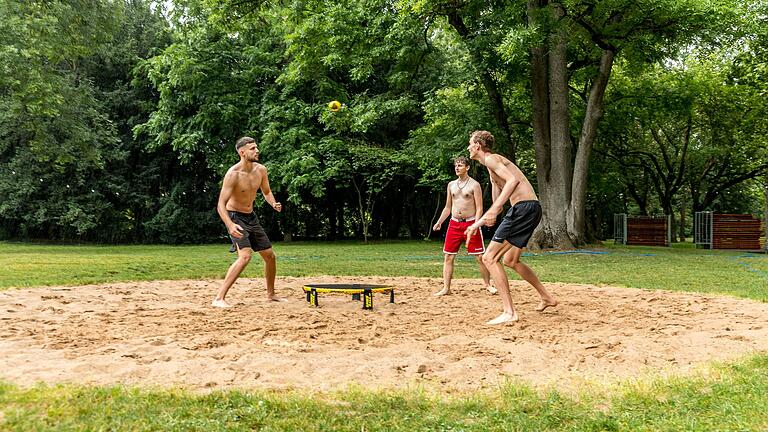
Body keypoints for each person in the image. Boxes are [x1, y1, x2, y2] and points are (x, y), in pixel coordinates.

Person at [464, 130, 557, 324]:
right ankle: (547, 297)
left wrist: (495, 208)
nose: (468, 147)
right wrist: (477, 224)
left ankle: (509, 312)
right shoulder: (491, 169)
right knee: (510, 260)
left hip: (523, 208)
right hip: (530, 208)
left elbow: (512, 182)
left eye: (470, 143)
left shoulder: (491, 159)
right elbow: (496, 208)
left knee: (489, 258)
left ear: (478, 146)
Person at [213, 136, 284, 308]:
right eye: (252, 148)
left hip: (251, 217)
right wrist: (230, 225)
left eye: (256, 147)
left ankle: (271, 294)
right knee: (245, 256)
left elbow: (266, 192)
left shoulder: (261, 170)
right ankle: (219, 298)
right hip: (235, 217)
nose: (257, 150)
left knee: (270, 256)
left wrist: (273, 203)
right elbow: (220, 205)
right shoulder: (233, 174)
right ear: (242, 152)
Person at [432, 156, 495, 296]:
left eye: (460, 165)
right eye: (456, 165)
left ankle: (488, 285)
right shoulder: (451, 185)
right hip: (454, 223)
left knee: (479, 257)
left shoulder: (475, 185)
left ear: (467, 167)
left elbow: (479, 208)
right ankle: (446, 288)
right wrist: (439, 222)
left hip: (471, 223)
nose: (457, 168)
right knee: (448, 256)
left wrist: (476, 225)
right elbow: (448, 207)